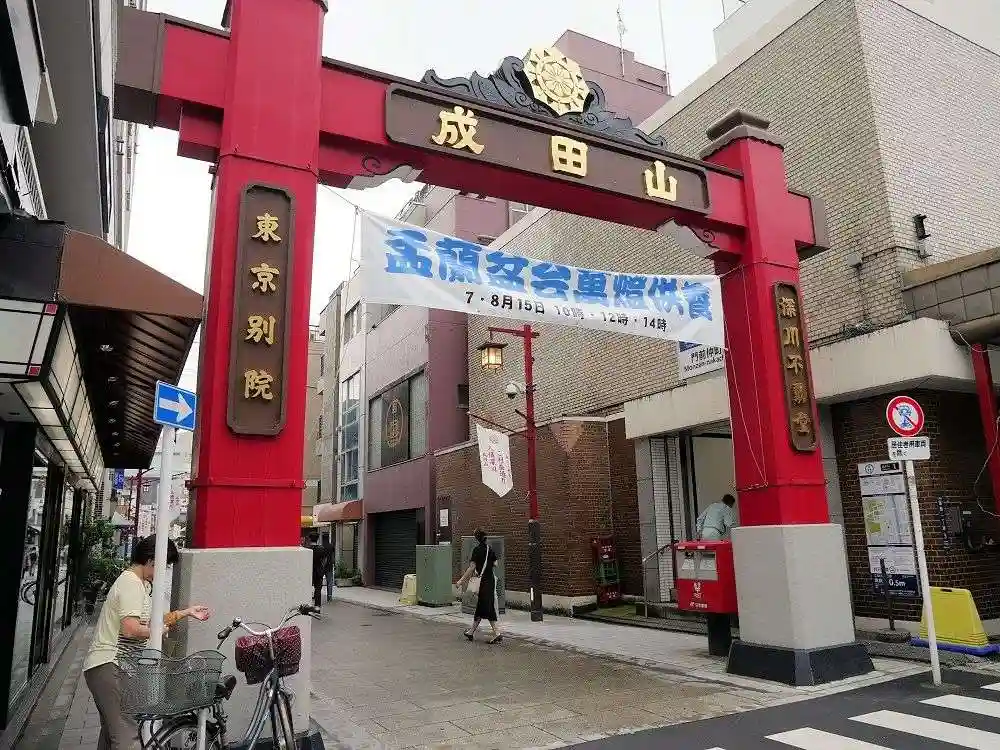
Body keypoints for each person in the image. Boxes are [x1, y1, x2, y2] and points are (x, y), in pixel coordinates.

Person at [83, 535, 211, 750]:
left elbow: (151, 622)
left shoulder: (137, 583)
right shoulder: (131, 583)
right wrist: (156, 632)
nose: (163, 572)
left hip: (106, 667)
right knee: (127, 736)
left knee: (112, 735)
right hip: (110, 665)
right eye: (165, 566)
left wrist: (185, 612)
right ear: (152, 560)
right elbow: (131, 628)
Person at [455, 528, 502, 644]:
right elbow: (496, 564)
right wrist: (487, 566)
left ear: (476, 538)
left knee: (486, 607)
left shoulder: (476, 550)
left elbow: (471, 568)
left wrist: (461, 581)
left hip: (483, 582)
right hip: (490, 580)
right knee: (482, 607)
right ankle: (471, 632)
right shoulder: (489, 549)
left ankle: (497, 633)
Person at [309, 534, 326, 608]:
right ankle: (317, 606)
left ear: (310, 539)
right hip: (319, 571)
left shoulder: (307, 549)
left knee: (307, 588)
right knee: (318, 588)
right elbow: (324, 560)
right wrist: (322, 567)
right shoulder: (321, 549)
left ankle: (307, 605)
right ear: (317, 539)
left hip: (309, 571)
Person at [322, 537, 335, 602]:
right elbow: (333, 557)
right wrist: (333, 563)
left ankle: (317, 594)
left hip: (322, 566)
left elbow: (322, 558)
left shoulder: (321, 547)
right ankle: (329, 597)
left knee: (319, 581)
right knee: (329, 582)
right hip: (329, 566)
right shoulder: (331, 546)